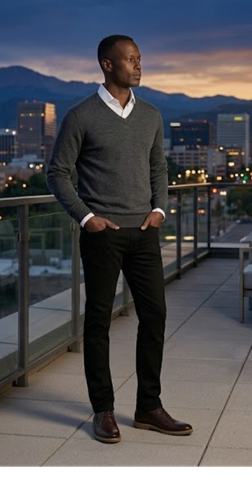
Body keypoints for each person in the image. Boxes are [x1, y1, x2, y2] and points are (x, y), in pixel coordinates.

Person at [46, 34, 193, 444]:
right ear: (107, 65)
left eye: (140, 58)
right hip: (102, 235)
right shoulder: (81, 116)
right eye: (130, 59)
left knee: (155, 317)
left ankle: (148, 406)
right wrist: (87, 217)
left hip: (144, 233)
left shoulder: (151, 115)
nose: (138, 65)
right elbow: (57, 172)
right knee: (98, 323)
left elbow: (158, 168)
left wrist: (160, 208)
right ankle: (103, 410)